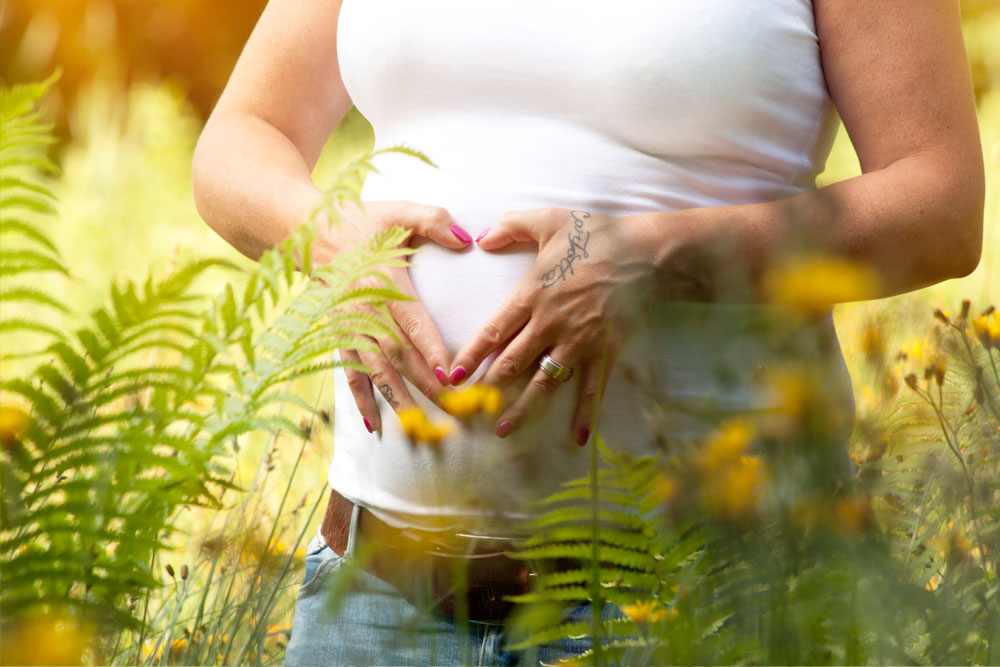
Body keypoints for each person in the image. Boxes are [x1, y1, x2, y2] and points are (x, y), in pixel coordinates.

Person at [192, 0, 984, 664]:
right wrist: (329, 237)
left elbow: (941, 202)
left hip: (696, 607)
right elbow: (241, 137)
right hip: (375, 606)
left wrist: (647, 256)